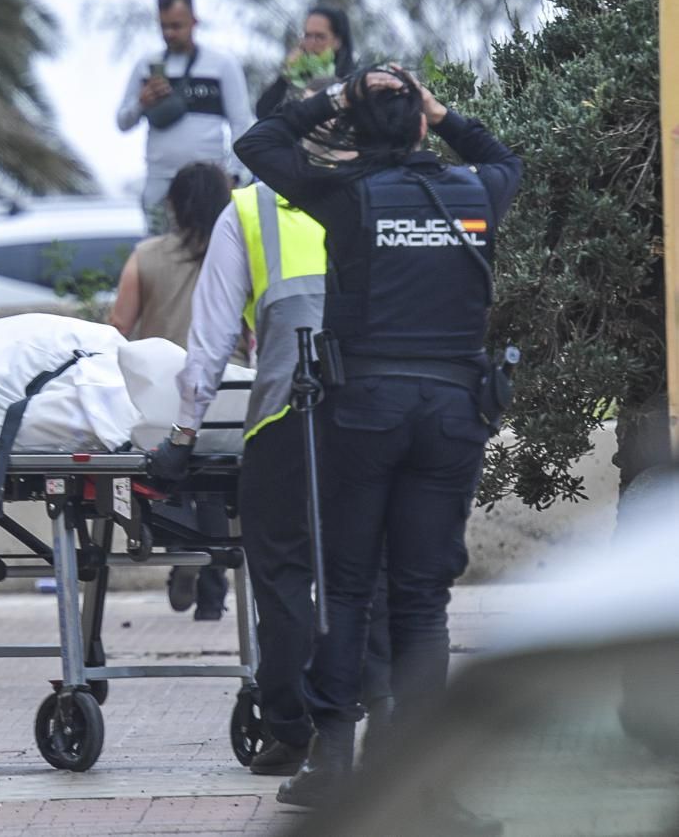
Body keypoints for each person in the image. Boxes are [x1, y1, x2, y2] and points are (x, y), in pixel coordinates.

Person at [236, 66, 521, 811]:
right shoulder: (476, 192)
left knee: (349, 588)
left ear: (357, 132)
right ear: (423, 125)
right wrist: (437, 108)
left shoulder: (346, 195)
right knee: (423, 600)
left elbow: (257, 142)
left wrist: (337, 97)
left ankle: (334, 763)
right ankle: (427, 777)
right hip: (453, 413)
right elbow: (505, 158)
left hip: (363, 413)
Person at [146, 79, 390, 780]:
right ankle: (381, 710)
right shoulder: (380, 193)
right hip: (374, 417)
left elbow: (213, 339)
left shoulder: (247, 210)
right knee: (365, 568)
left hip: (288, 419)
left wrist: (183, 437)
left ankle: (290, 727)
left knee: (281, 576)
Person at [110, 161, 240, 621]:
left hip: (161, 401)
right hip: (227, 398)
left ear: (174, 204)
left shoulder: (146, 256)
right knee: (218, 487)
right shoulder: (239, 253)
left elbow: (118, 328)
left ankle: (180, 551)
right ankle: (213, 581)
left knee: (167, 478)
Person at [116, 0, 253, 234]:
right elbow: (123, 122)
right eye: (164, 26)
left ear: (194, 21)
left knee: (207, 251)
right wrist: (142, 102)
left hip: (206, 181)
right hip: (160, 180)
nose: (170, 33)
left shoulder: (222, 64)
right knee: (157, 251)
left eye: (177, 26)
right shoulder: (147, 65)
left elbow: (242, 122)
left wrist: (235, 177)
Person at [255, 6, 356, 119]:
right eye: (307, 36)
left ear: (337, 41)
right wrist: (286, 76)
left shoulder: (351, 84)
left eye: (320, 37)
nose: (311, 43)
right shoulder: (295, 76)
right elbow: (263, 114)